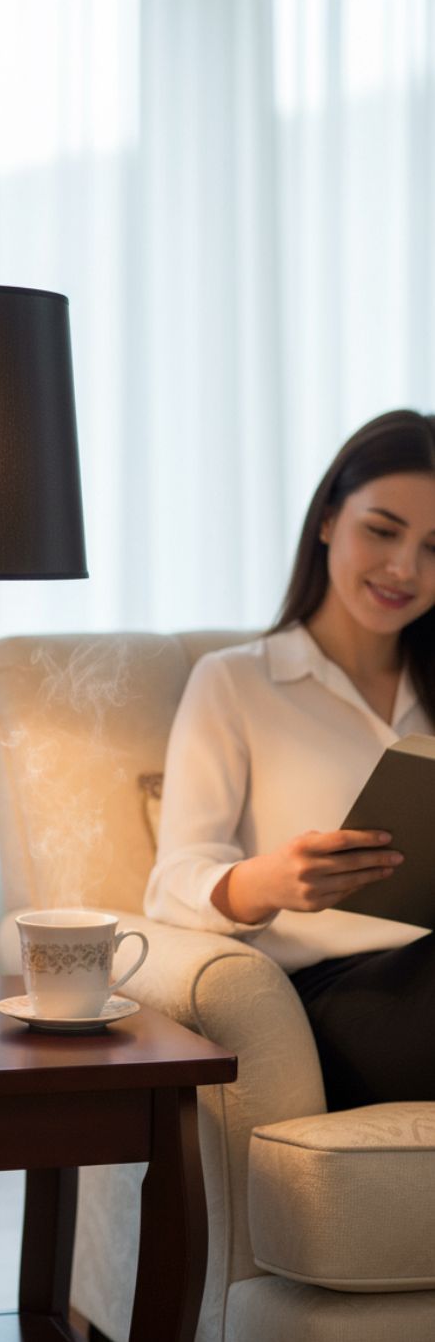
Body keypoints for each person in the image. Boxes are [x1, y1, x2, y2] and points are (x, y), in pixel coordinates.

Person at [144, 408, 435, 1109]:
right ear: (329, 520)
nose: (405, 568)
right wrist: (268, 882)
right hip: (336, 1000)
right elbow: (171, 881)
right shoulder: (237, 681)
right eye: (383, 530)